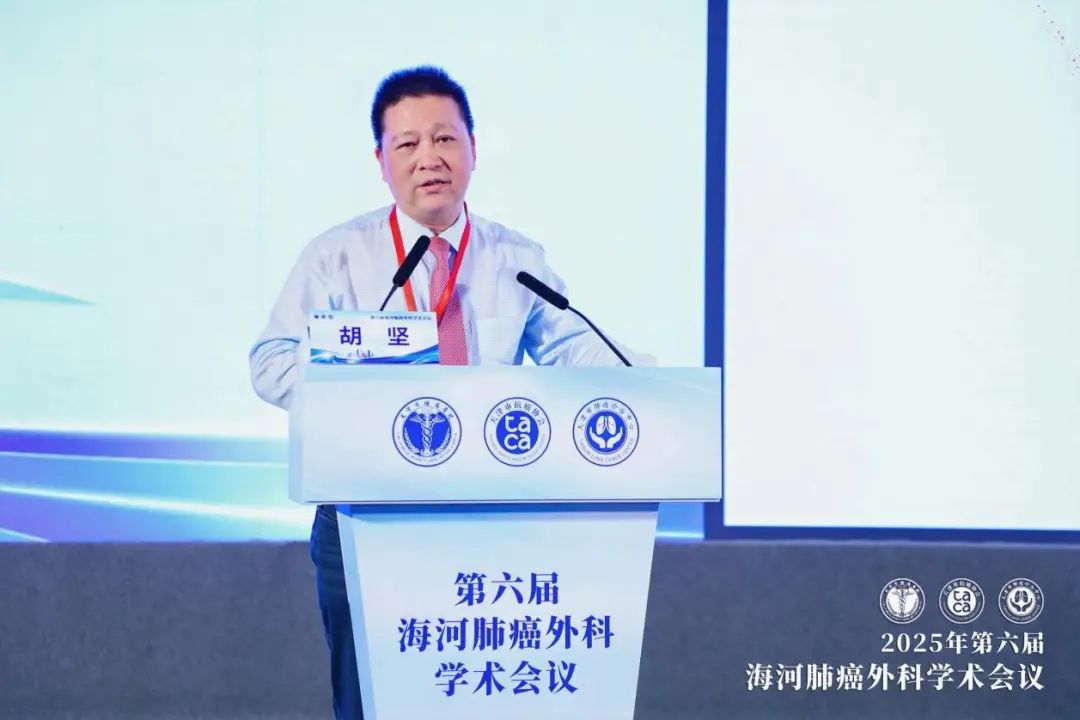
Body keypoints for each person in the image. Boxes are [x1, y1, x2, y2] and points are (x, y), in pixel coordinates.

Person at [249, 65, 650, 720]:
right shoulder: (335, 257)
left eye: (444, 139)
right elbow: (270, 362)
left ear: (473, 149)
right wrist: (349, 380)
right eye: (407, 144)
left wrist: (647, 381)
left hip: (486, 517)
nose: (429, 158)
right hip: (364, 515)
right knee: (370, 702)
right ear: (381, 162)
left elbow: (573, 348)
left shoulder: (516, 258)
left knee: (476, 696)